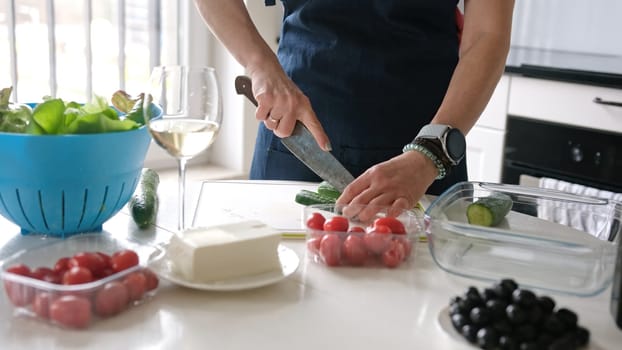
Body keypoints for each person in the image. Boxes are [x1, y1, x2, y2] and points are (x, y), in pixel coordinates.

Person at [193, 0, 515, 215]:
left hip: (428, 153)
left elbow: (488, 35)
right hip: (297, 138)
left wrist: (430, 154)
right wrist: (260, 65)